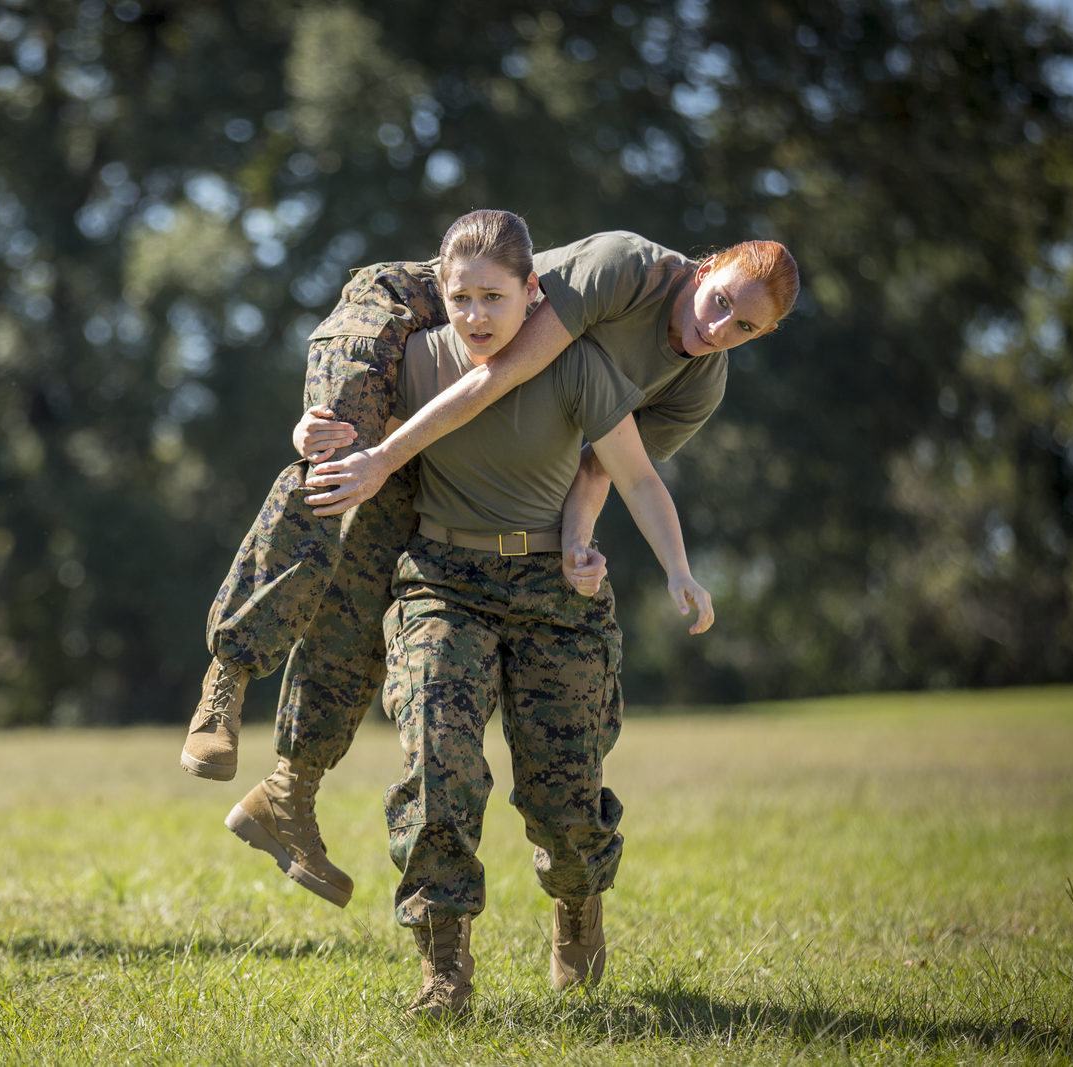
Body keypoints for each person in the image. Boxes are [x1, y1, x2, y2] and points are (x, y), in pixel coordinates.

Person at [184, 228, 798, 910]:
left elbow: (606, 463)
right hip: (405, 311)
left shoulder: (698, 380)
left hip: (462, 414)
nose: (718, 329)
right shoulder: (624, 269)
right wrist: (342, 434)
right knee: (330, 466)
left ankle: (286, 794)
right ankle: (228, 674)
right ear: (705, 266)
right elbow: (500, 369)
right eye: (718, 302)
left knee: (360, 593)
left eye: (745, 327)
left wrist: (576, 539)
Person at [373, 209, 711, 1018]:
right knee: (435, 764)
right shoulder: (416, 358)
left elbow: (635, 477)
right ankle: (444, 965)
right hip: (441, 582)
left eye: (495, 297)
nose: (476, 316)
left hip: (554, 592)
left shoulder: (579, 366)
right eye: (460, 298)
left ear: (535, 291)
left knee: (566, 799)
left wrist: (678, 570)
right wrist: (312, 424)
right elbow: (337, 420)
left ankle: (576, 901)